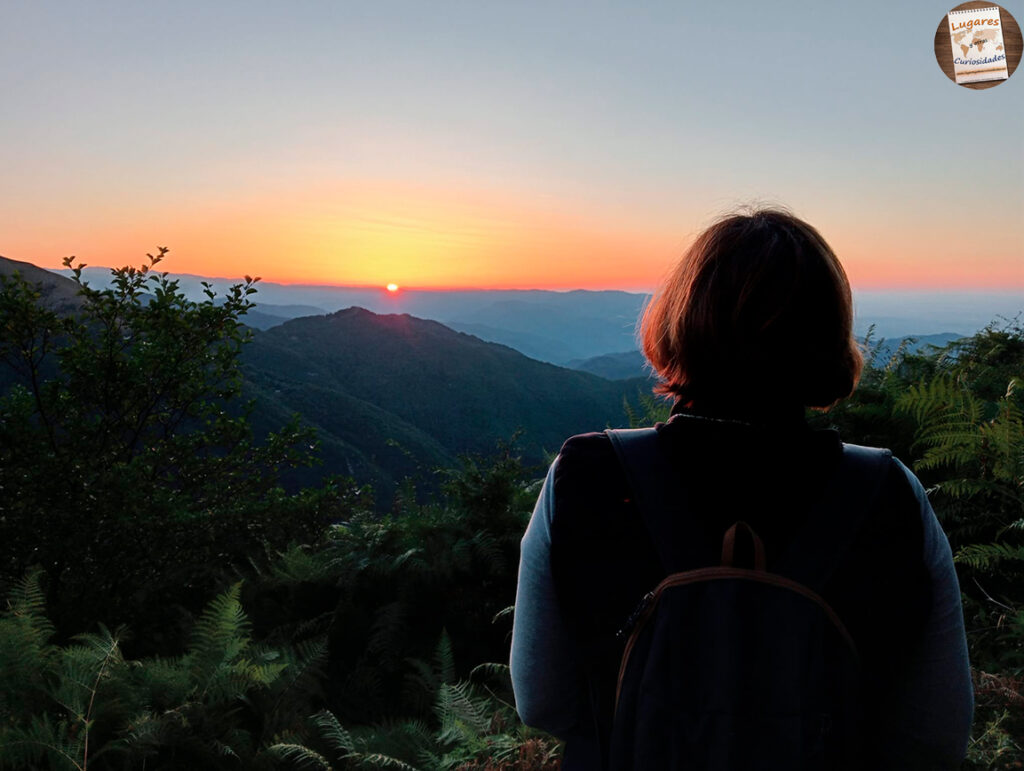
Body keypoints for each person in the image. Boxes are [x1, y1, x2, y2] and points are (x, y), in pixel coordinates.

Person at [509, 208, 973, 769]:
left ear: (680, 318)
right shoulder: (889, 495)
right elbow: (936, 734)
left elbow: (543, 703)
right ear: (827, 334)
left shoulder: (586, 475)